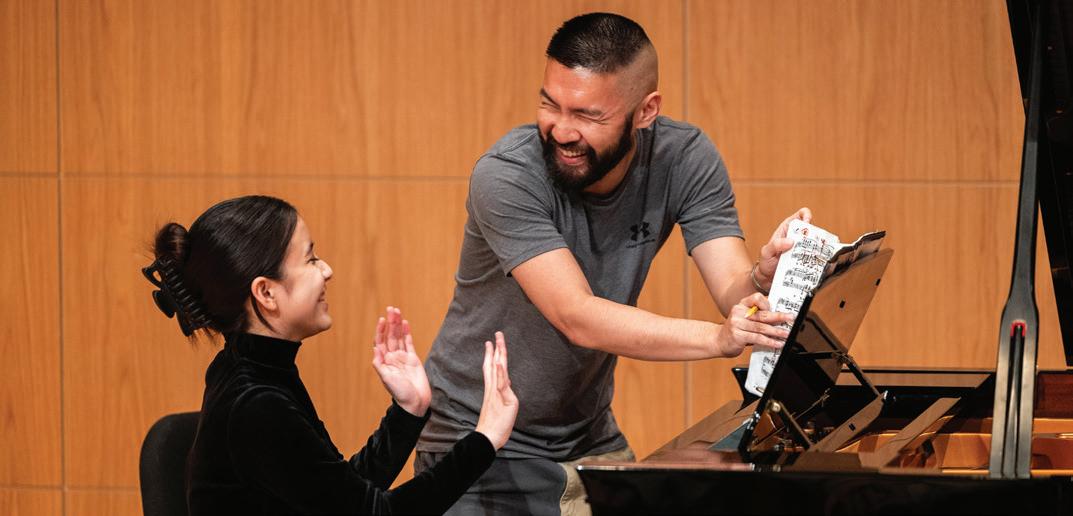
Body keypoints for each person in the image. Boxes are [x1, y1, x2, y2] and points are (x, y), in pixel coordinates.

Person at [414, 12, 810, 515]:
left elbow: (734, 289)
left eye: (588, 115)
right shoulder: (506, 176)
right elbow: (576, 315)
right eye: (549, 104)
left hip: (588, 436)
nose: (561, 130)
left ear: (646, 111)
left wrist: (762, 279)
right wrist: (718, 339)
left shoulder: (683, 157)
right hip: (477, 440)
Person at [142, 195, 519, 515]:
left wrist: (409, 410)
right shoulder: (256, 401)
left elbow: (344, 496)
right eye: (310, 259)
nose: (327, 270)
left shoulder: (249, 369)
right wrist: (484, 439)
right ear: (266, 293)